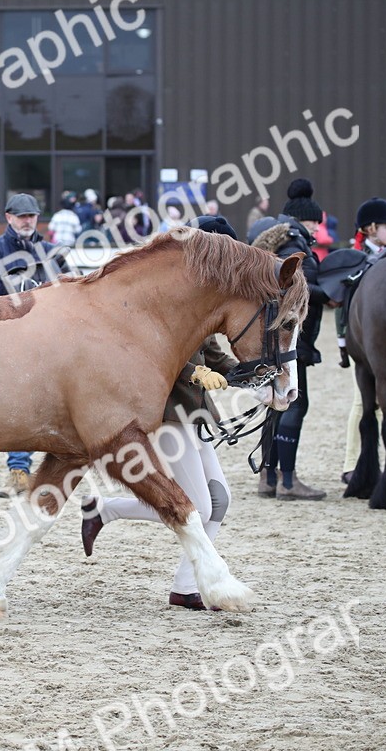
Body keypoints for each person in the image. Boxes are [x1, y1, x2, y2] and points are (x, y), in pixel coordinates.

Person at [79, 216, 241, 610]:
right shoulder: (167, 294)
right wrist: (193, 372)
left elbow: (214, 355)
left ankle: (184, 587)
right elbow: (148, 350)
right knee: (198, 506)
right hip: (168, 411)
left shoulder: (204, 300)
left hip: (196, 412)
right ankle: (110, 513)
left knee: (219, 501)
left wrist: (254, 375)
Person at [0, 192, 71, 498]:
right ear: (9, 217)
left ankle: (55, 471)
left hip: (52, 336)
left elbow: (72, 284)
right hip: (10, 335)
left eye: (31, 216)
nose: (27, 221)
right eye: (21, 216)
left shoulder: (52, 251)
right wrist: (31, 285)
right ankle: (18, 470)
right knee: (21, 402)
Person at [251, 179, 331, 500]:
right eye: (314, 222)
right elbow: (294, 287)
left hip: (273, 336)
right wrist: (331, 293)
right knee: (294, 403)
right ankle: (287, 480)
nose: (317, 228)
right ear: (303, 220)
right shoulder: (293, 244)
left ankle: (268, 477)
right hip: (289, 339)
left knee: (276, 405)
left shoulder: (280, 238)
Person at [335, 199, 386, 482]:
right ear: (371, 228)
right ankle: (351, 464)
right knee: (362, 403)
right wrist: (342, 340)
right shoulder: (356, 257)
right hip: (361, 341)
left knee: (384, 406)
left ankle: (377, 464)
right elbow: (343, 304)